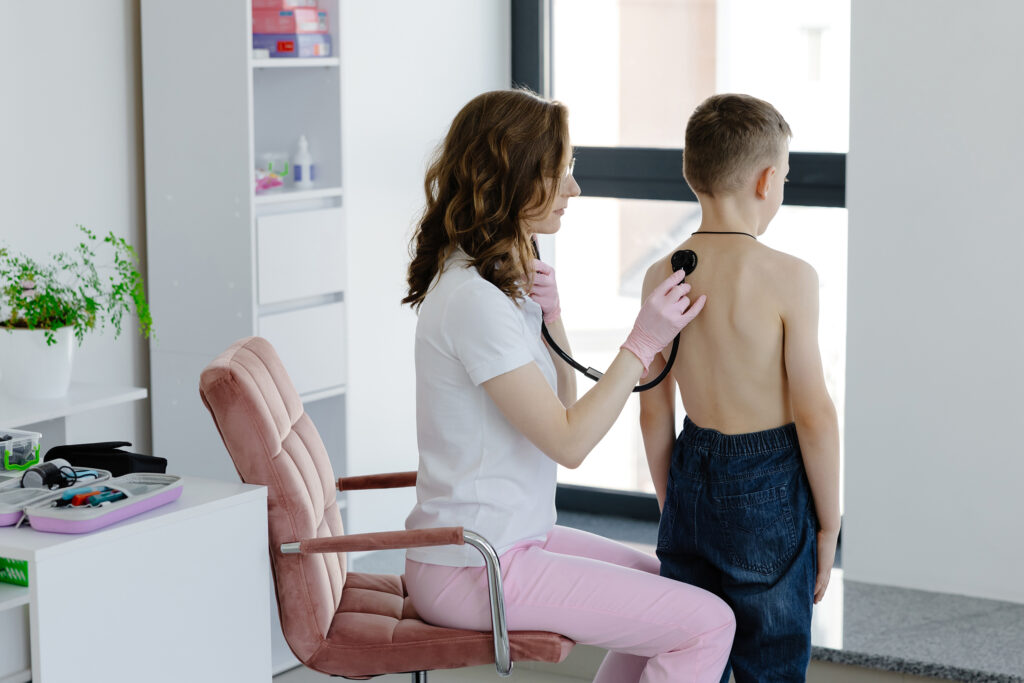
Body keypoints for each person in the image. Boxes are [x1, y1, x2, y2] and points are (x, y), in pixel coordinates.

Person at [401, 89, 735, 683]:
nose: (573, 190)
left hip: (509, 540)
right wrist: (642, 341)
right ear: (512, 177)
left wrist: (552, 320)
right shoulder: (473, 302)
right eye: (560, 174)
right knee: (708, 624)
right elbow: (571, 445)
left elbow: (564, 408)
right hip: (476, 566)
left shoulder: (490, 287)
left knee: (672, 588)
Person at [638, 93, 841, 682]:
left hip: (690, 469)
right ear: (767, 179)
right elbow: (815, 416)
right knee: (769, 662)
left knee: (691, 657)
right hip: (768, 487)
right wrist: (829, 524)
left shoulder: (662, 273)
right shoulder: (789, 277)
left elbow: (654, 413)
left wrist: (673, 503)